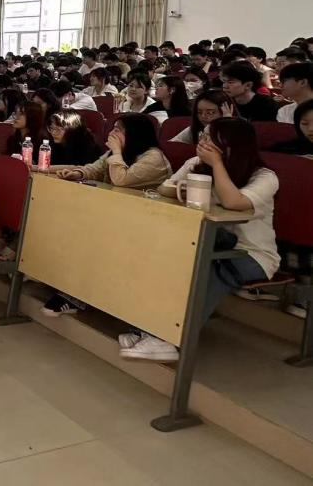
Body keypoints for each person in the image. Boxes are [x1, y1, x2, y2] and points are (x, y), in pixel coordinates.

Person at [120, 119, 281, 361]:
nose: (201, 142)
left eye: (209, 138)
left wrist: (217, 164)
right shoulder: (196, 164)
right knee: (160, 255)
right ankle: (149, 328)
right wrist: (183, 188)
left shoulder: (265, 177)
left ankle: (170, 339)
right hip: (205, 242)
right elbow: (165, 188)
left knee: (209, 266)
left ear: (230, 143)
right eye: (202, 135)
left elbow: (233, 202)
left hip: (252, 254)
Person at [44, 114, 172, 317]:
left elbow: (121, 180)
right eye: (113, 128)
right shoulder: (119, 152)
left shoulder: (153, 158)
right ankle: (70, 287)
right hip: (116, 214)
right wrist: (79, 173)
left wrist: (117, 152)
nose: (112, 133)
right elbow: (94, 168)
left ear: (135, 134)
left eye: (118, 130)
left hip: (147, 222)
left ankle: (79, 294)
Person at [170, 90, 235, 144]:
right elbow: (170, 145)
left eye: (210, 113)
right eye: (199, 112)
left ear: (226, 111)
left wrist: (227, 123)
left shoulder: (238, 131)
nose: (203, 116)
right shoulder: (195, 129)